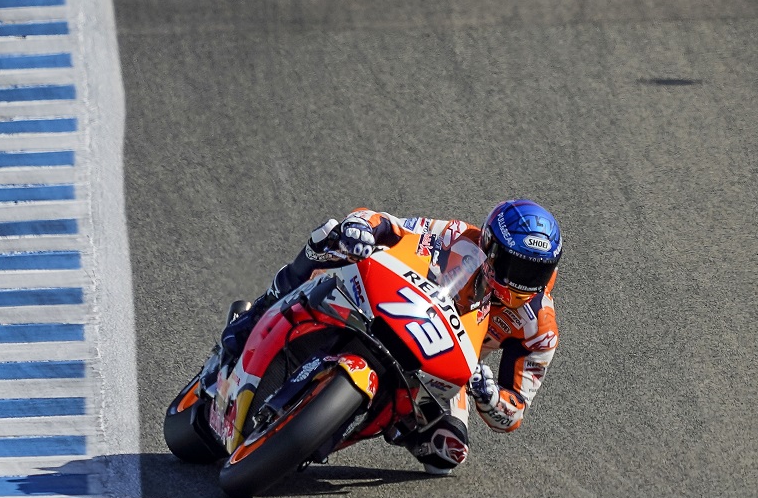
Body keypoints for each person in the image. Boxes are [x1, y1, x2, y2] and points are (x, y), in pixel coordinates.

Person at [220, 200, 562, 475]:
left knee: (448, 451)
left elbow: (515, 409)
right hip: (399, 307)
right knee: (330, 237)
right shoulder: (457, 237)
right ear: (490, 246)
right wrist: (362, 227)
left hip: (447, 364)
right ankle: (258, 312)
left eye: (536, 272)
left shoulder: (540, 327)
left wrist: (489, 397)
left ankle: (391, 423)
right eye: (516, 266)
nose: (523, 281)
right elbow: (391, 226)